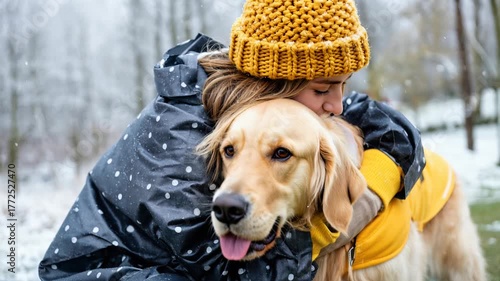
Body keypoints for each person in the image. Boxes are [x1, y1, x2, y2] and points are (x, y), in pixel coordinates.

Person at [39, 0, 424, 280]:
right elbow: (239, 273)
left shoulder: (289, 107)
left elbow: (391, 130)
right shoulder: (180, 131)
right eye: (325, 88)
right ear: (275, 82)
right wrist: (325, 233)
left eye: (344, 85)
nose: (338, 105)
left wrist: (369, 191)